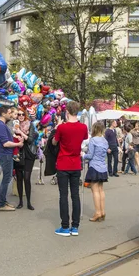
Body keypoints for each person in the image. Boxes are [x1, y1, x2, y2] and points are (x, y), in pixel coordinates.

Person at [53, 101, 88, 237]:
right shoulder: (83, 127)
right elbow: (84, 139)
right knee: (75, 195)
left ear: (66, 111)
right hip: (76, 164)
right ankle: (75, 226)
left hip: (63, 163)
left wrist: (58, 127)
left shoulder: (62, 127)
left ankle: (65, 226)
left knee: (63, 195)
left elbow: (55, 141)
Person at [0, 106, 23, 211]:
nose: (11, 114)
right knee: (6, 179)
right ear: (3, 114)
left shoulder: (2, 124)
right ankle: (1, 204)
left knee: (7, 178)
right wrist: (18, 143)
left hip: (7, 154)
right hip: (5, 154)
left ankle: (3, 201)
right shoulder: (0, 125)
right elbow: (5, 143)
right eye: (9, 112)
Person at [14, 110, 39, 210]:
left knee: (27, 178)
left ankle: (28, 202)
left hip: (28, 153)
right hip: (18, 153)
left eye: (22, 114)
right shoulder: (14, 125)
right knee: (19, 178)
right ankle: (20, 202)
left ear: (25, 115)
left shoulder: (30, 125)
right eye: (18, 114)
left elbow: (30, 140)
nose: (20, 116)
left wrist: (20, 133)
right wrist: (15, 134)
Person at [84, 122, 108, 222]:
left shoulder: (93, 140)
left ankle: (97, 212)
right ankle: (102, 211)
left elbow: (90, 155)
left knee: (95, 190)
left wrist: (82, 155)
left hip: (94, 166)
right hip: (103, 167)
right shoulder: (105, 141)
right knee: (101, 190)